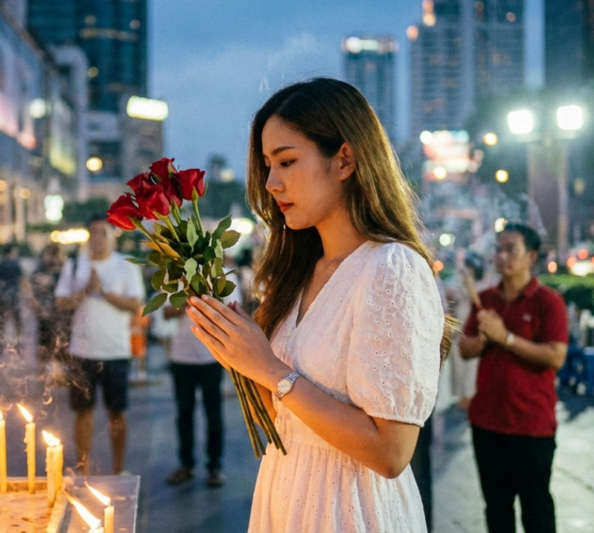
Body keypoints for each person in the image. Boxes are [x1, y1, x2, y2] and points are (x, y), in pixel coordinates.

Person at [186, 78, 446, 532]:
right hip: (289, 495)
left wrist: (267, 367)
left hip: (350, 509)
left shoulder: (390, 268)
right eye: (267, 165)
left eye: (287, 161)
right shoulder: (300, 272)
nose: (271, 183)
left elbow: (391, 453)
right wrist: (237, 355)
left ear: (344, 159)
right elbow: (289, 420)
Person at [460, 223, 569, 533]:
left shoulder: (548, 301)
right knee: (496, 509)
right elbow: (466, 349)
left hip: (531, 424)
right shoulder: (486, 299)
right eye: (498, 249)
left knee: (536, 510)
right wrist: (485, 337)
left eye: (512, 250)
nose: (502, 256)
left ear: (531, 256)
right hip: (487, 422)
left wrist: (505, 337)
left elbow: (555, 356)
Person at [55, 216, 145, 475]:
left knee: (117, 412)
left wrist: (103, 291)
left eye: (102, 233)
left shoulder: (126, 265)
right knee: (83, 411)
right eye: (92, 232)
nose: (97, 238)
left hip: (115, 350)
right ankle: (83, 468)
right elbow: (61, 303)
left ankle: (118, 468)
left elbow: (136, 305)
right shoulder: (74, 265)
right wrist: (85, 290)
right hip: (81, 350)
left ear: (113, 235)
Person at [165, 280, 241, 488]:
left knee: (213, 412)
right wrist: (188, 301)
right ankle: (186, 464)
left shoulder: (221, 275)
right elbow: (165, 313)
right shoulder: (175, 277)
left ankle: (215, 466)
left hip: (212, 356)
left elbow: (234, 314)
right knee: (184, 413)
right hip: (181, 356)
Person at [446, 251, 487, 409]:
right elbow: (450, 300)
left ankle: (469, 396)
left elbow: (478, 302)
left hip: (474, 327)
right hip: (459, 326)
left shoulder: (483, 284)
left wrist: (468, 284)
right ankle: (462, 395)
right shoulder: (457, 281)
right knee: (458, 363)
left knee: (472, 365)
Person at [30, 244, 68, 365]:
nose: (53, 259)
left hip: (59, 310)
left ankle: (55, 366)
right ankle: (44, 366)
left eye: (55, 254)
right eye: (50, 254)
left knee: (59, 339)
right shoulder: (41, 267)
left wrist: (50, 280)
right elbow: (33, 281)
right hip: (45, 310)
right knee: (44, 338)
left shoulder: (65, 269)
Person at [0, 243, 26, 354]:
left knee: (2, 322)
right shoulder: (15, 263)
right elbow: (22, 279)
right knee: (17, 322)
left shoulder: (1, 263)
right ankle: (19, 345)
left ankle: (0, 346)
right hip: (14, 296)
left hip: (2, 296)